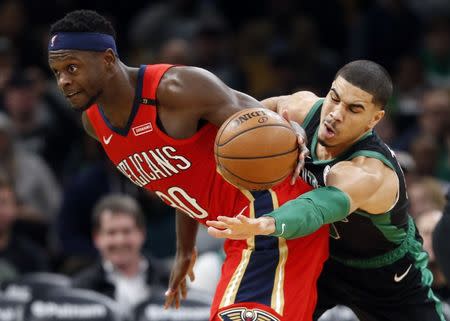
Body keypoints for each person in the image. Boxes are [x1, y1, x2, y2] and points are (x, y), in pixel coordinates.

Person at [47, 10, 328, 321]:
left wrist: (294, 132)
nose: (63, 81)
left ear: (108, 60)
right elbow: (179, 180)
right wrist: (185, 250)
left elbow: (262, 121)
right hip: (240, 234)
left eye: (72, 67)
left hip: (271, 219)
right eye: (57, 71)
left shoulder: (177, 88)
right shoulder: (93, 123)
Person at [207, 60, 446, 321]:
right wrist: (281, 130)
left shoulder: (371, 172)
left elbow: (317, 207)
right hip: (321, 257)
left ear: (374, 119)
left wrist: (267, 223)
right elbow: (249, 112)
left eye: (354, 109)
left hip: (385, 276)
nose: (335, 114)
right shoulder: (302, 108)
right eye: (334, 98)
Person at [72, 194, 168, 315]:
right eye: (111, 233)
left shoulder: (170, 281)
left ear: (142, 233)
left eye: (126, 231)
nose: (120, 241)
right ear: (97, 238)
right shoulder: (81, 289)